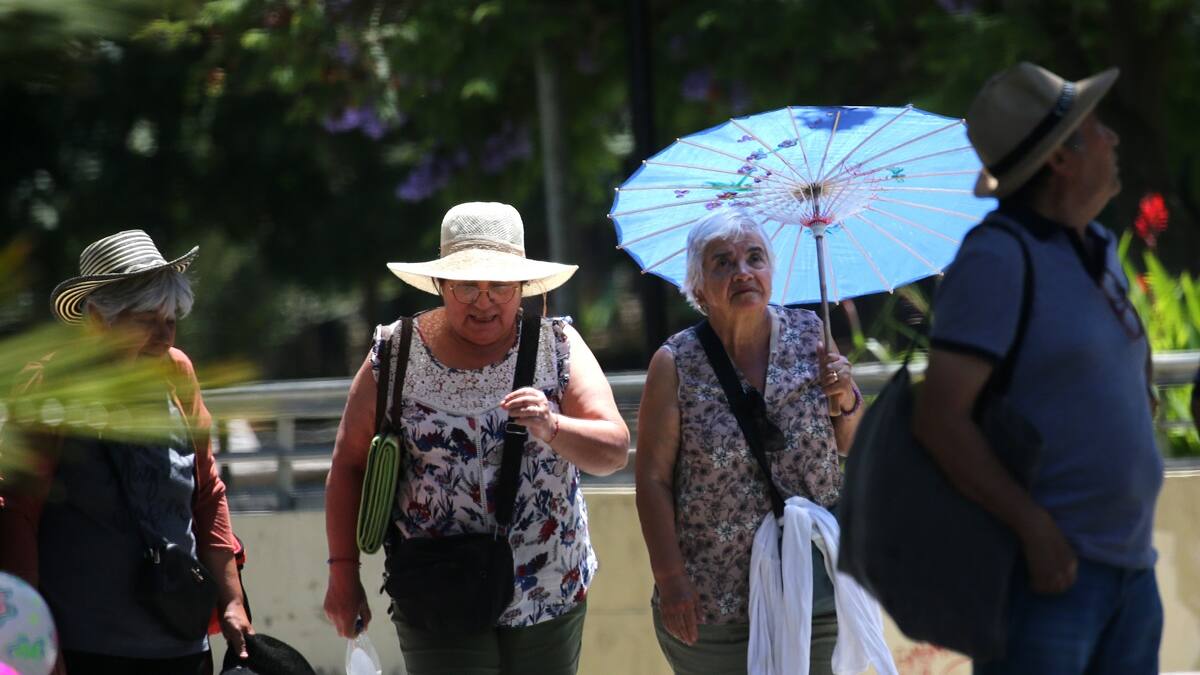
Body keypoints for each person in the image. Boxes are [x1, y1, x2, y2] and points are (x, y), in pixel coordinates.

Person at [913, 62, 1163, 674]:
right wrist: (1034, 530)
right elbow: (939, 418)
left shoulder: (1099, 248)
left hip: (1130, 571)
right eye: (1098, 128)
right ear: (1060, 158)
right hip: (1047, 579)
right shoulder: (998, 256)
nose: (1113, 139)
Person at [323, 202, 629, 675]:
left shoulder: (558, 346)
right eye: (468, 284)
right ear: (442, 285)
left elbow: (612, 450)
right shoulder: (395, 352)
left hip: (546, 583)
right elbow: (348, 465)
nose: (484, 301)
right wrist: (343, 573)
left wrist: (553, 426)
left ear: (522, 288)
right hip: (433, 588)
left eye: (500, 286)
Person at [0, 230, 252, 674]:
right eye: (145, 320)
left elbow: (207, 492)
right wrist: (35, 639)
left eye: (170, 320)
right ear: (99, 319)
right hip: (86, 646)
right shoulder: (50, 387)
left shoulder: (178, 373)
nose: (163, 336)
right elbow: (18, 514)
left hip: (182, 641)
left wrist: (232, 601)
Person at [634, 208, 864, 675]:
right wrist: (671, 579)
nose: (743, 272)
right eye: (723, 262)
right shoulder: (675, 362)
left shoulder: (811, 335)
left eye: (754, 258)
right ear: (698, 287)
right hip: (714, 598)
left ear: (771, 273)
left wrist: (845, 398)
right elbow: (653, 480)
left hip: (812, 582)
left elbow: (850, 445)